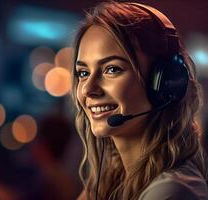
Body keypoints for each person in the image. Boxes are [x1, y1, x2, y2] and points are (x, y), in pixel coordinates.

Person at [71, 1, 208, 200]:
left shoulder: (171, 191)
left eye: (112, 69)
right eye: (83, 72)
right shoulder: (113, 180)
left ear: (163, 83)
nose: (87, 89)